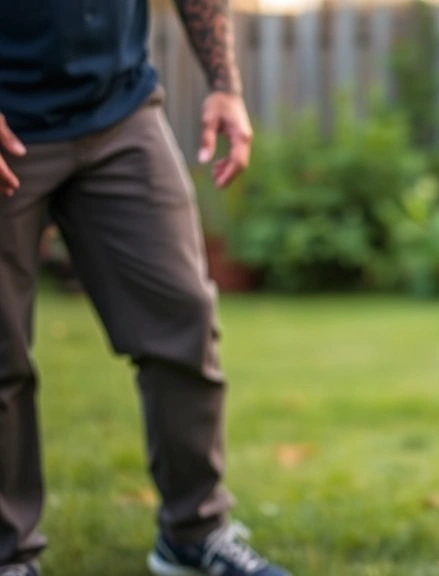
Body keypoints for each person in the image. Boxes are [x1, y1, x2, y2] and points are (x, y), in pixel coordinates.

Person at [0, 1, 289, 575]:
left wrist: (225, 84)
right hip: (10, 120)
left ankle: (193, 530)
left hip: (120, 110)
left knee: (183, 322)